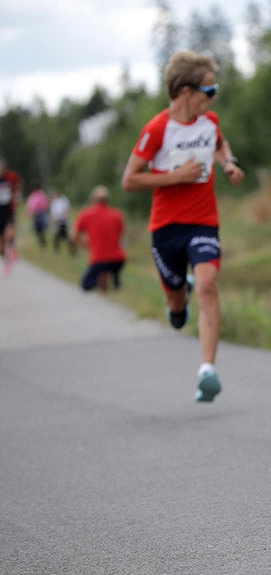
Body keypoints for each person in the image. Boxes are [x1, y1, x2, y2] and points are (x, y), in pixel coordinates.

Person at [122, 50, 245, 403]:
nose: (214, 96)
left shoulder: (210, 122)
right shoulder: (158, 128)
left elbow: (219, 144)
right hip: (166, 227)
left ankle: (207, 370)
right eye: (210, 89)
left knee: (208, 286)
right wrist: (177, 177)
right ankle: (178, 303)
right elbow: (130, 180)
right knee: (176, 306)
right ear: (186, 90)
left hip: (204, 221)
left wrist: (229, 164)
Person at [71, 185, 126, 292]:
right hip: (118, 259)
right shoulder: (117, 215)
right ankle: (114, 278)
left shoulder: (86, 215)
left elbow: (73, 236)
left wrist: (85, 245)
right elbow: (121, 236)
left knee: (85, 285)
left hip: (99, 259)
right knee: (111, 266)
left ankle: (102, 280)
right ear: (107, 200)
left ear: (93, 199)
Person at [0, 158, 23, 275]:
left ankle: (12, 251)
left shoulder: (11, 177)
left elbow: (18, 184)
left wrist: (17, 195)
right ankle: (6, 259)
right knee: (2, 245)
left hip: (8, 211)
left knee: (10, 233)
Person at [50, 190, 75, 254]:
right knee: (61, 235)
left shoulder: (63, 200)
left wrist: (65, 215)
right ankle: (71, 251)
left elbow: (67, 209)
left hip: (63, 220)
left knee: (61, 235)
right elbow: (53, 211)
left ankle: (71, 250)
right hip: (58, 220)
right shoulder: (54, 201)